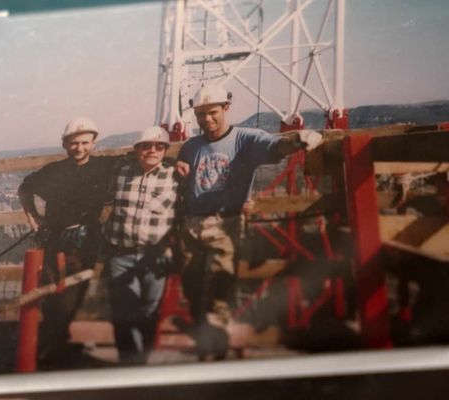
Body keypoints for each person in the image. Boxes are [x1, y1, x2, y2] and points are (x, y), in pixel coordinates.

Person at [175, 84, 323, 360]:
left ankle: (215, 354)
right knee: (192, 287)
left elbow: (276, 146)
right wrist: (179, 169)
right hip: (192, 224)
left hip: (225, 224)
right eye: (200, 114)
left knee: (220, 289)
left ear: (226, 108)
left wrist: (298, 140)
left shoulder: (246, 139)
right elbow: (183, 170)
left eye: (212, 112)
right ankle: (202, 338)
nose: (206, 119)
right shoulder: (191, 145)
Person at [18, 116, 122, 366]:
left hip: (86, 240)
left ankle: (57, 348)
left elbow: (140, 158)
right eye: (74, 143)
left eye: (85, 142)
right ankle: (51, 354)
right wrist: (35, 219)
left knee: (75, 295)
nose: (80, 148)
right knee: (57, 297)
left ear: (94, 143)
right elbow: (25, 189)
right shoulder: (53, 171)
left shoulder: (104, 166)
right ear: (65, 144)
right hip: (56, 240)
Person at [103, 126, 180, 365]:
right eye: (145, 146)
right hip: (120, 253)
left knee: (149, 311)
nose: (152, 150)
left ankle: (143, 360)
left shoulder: (176, 176)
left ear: (166, 150)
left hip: (154, 255)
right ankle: (130, 365)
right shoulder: (120, 172)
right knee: (124, 312)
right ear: (137, 150)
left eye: (159, 146)